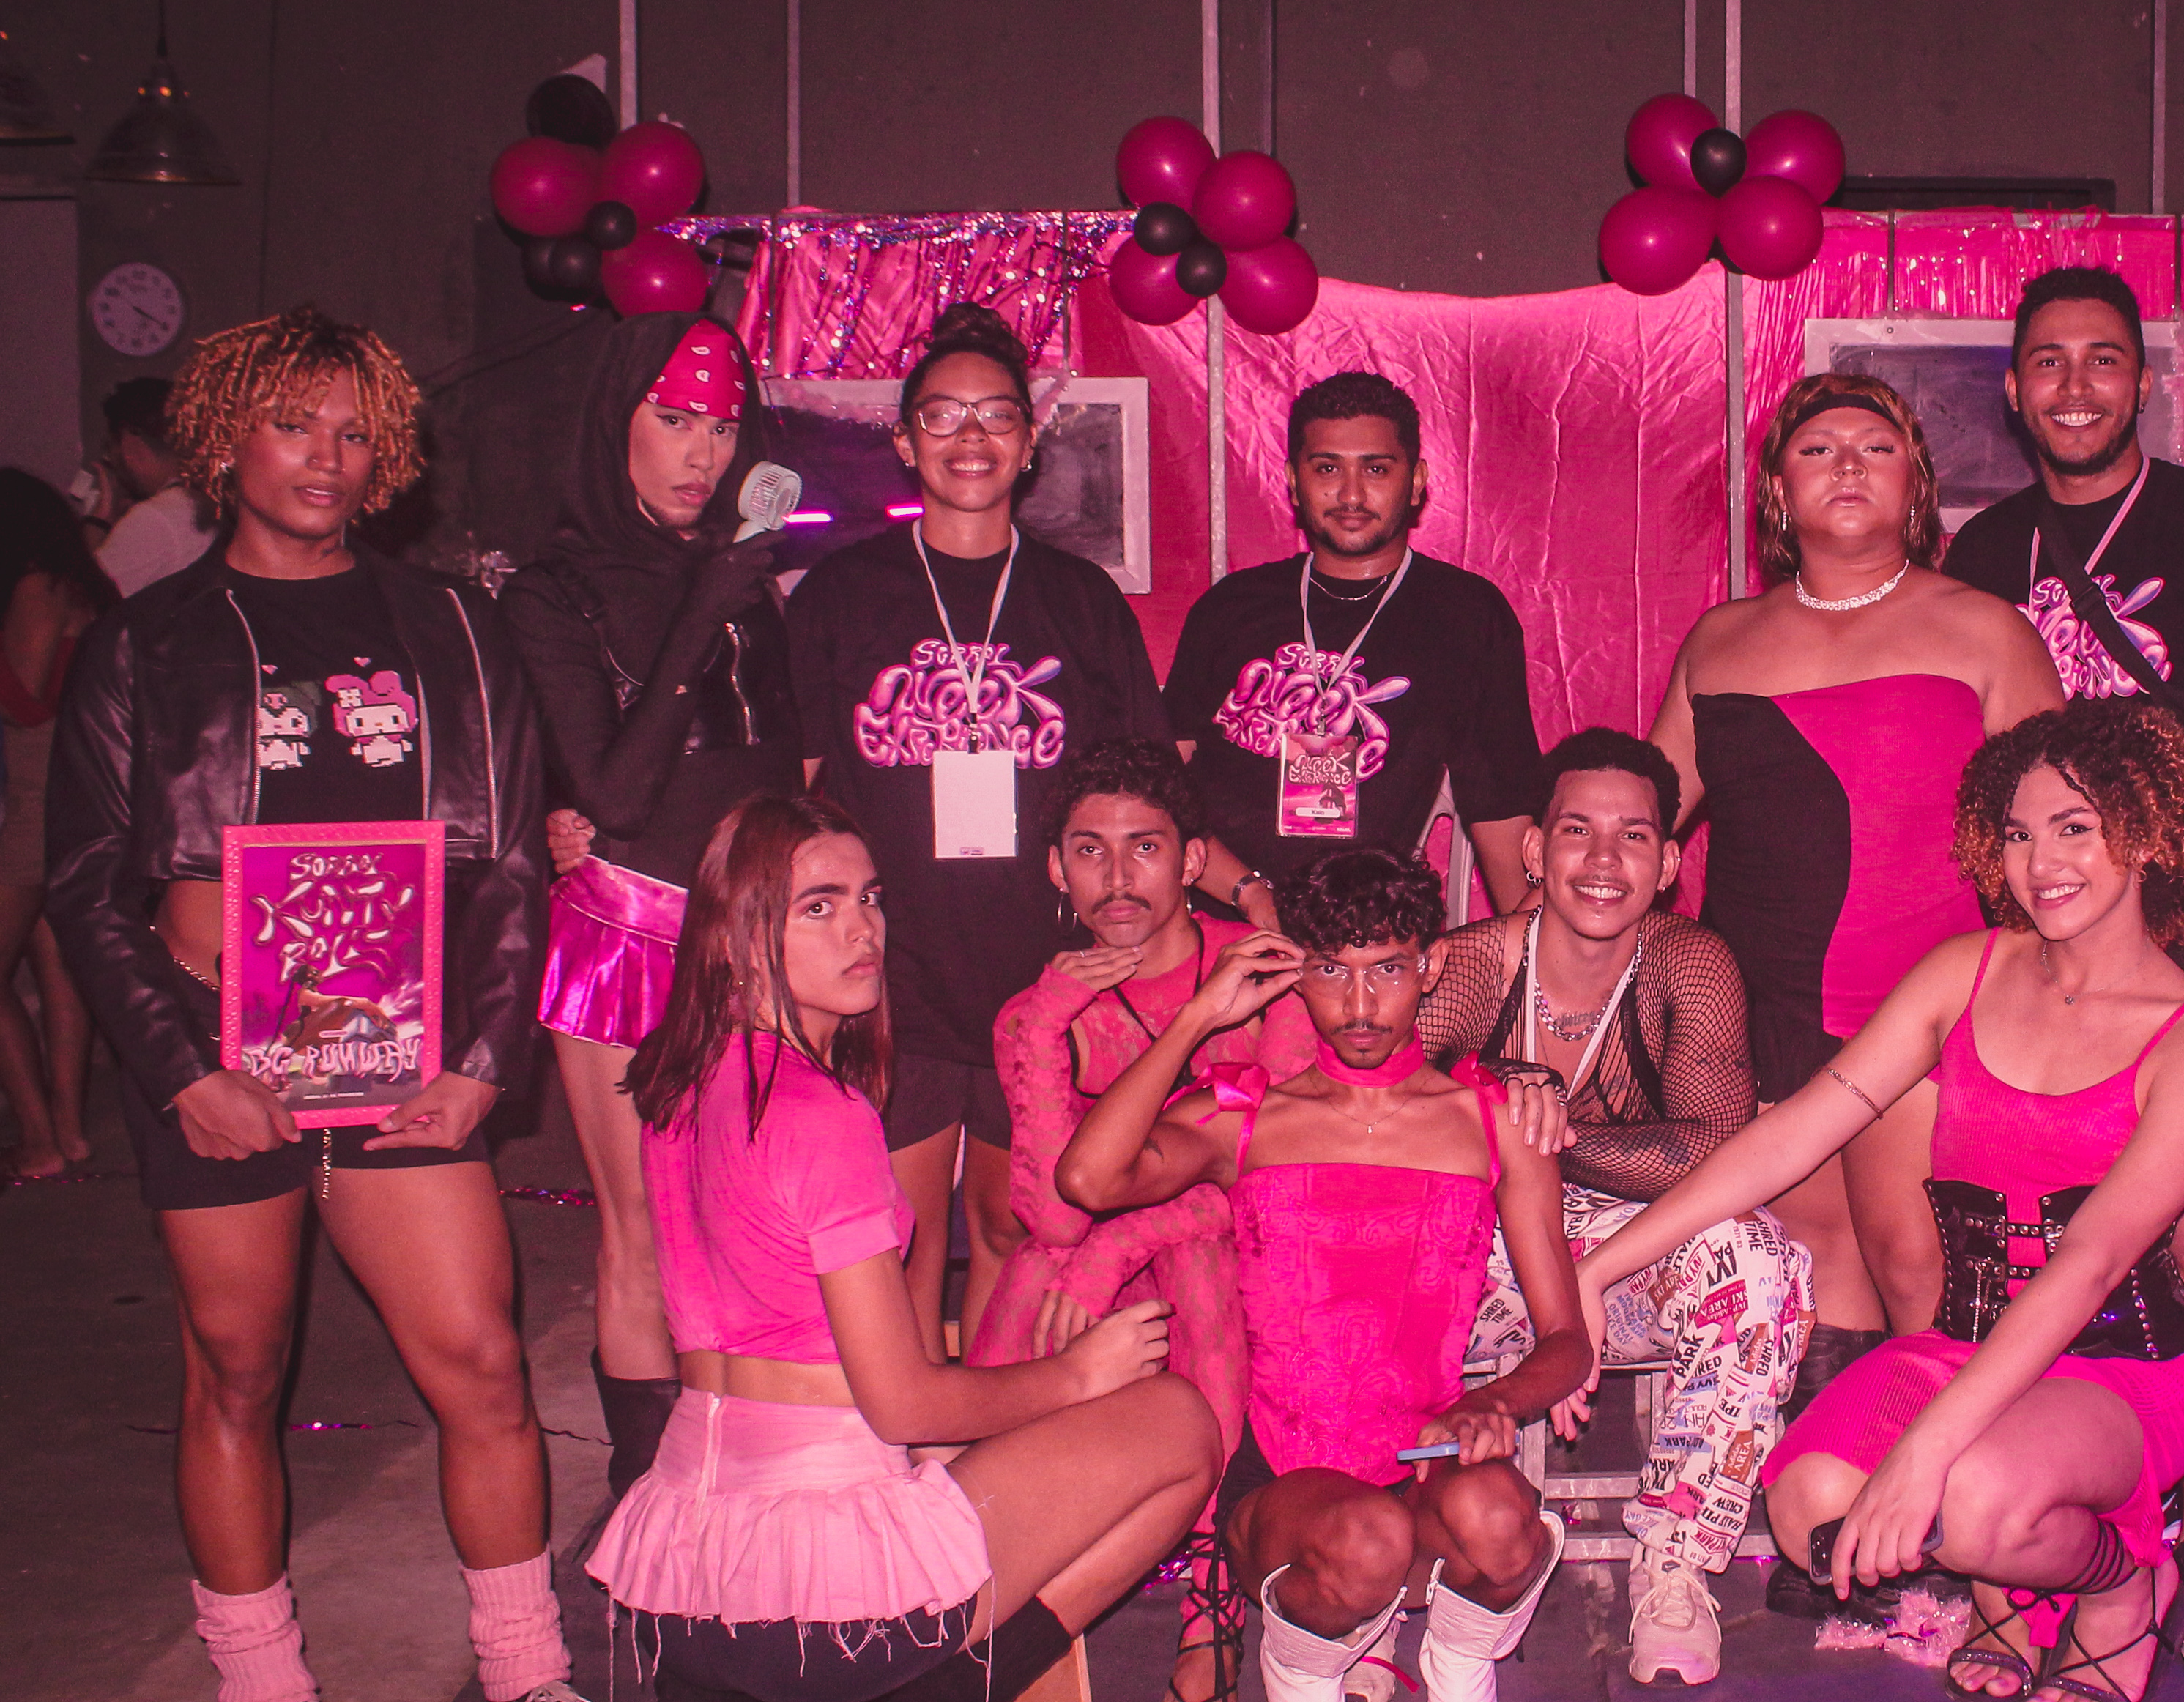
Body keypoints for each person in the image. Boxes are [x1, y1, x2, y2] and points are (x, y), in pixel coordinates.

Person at [45, 308, 620, 1702]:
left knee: (483, 1363)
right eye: (296, 422)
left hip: (406, 1058)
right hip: (214, 1059)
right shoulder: (143, 639)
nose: (330, 457)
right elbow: (87, 887)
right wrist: (179, 1068)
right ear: (226, 432)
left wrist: (485, 1057)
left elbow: (511, 858)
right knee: (238, 1371)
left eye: (358, 432)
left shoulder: (449, 625)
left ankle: (523, 1681)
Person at [1605, 699, 2184, 1702]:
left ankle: (2122, 1581)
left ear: (2147, 832)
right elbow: (1794, 1133)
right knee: (1807, 1506)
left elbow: (2089, 1263)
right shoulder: (1967, 971)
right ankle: (2012, 1582)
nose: (2041, 863)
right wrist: (1595, 1273)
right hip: (1965, 1345)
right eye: (2019, 833)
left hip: (2121, 1364)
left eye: (2076, 828)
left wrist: (1922, 1457)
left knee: (1972, 1499)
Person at [586, 792, 1217, 1702]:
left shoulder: (678, 1080)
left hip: (690, 1576)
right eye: (819, 906)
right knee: (1179, 1425)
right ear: (737, 935)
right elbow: (904, 1403)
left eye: (870, 899)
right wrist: (1080, 1374)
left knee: (969, 1444)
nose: (863, 929)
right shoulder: (821, 1112)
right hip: (828, 1613)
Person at [1942, 264, 2184, 1672]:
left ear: (2144, 381)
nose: (2075, 386)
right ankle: (2045, 1518)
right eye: (2047, 362)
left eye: (2102, 360)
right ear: (2012, 388)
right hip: (2047, 947)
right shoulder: (1983, 551)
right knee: (2032, 1243)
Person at [1649, 371, 2064, 1610]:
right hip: (1763, 997)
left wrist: (2051, 989)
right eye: (1816, 447)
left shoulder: (1985, 629)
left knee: (1920, 1261)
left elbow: (2062, 825)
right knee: (1816, 1254)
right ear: (1776, 490)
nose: (1844, 464)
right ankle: (1826, 1518)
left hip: (1926, 1001)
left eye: (1873, 446)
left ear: (1914, 483)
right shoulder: (1719, 639)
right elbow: (1647, 812)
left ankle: (1931, 1514)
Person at [1058, 847, 1590, 1702]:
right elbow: (1088, 1178)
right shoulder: (1247, 1116)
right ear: (1294, 972)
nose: (1360, 1003)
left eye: (1386, 969)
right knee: (1365, 1539)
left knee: (1508, 1523)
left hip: (1423, 1459)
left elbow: (1567, 1342)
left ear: (1429, 965)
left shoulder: (1491, 1121)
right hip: (1286, 1482)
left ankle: (1459, 1659)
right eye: (1332, 971)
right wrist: (1198, 1017)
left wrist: (1496, 1402)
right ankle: (1301, 1666)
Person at [787, 303, 1173, 1354]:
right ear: (904, 440)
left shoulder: (1079, 600)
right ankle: (906, 1437)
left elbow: (1143, 791)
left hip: (1042, 976)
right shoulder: (838, 595)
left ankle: (995, 1432)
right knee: (897, 1238)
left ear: (1030, 440)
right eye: (943, 415)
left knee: (1013, 1228)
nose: (971, 437)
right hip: (888, 974)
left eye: (997, 414)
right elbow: (804, 792)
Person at [1419, 726, 1806, 1687]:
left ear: (1668, 864)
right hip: (1481, 1260)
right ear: (1534, 850)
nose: (1602, 859)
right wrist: (1494, 1094)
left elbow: (1716, 1148)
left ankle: (1675, 1559)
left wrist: (1551, 1137)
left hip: (1629, 1252)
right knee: (1366, 1248)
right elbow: (1371, 1116)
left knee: (1761, 1262)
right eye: (1576, 831)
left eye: (1633, 836)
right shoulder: (1470, 965)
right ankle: (1394, 1560)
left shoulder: (1690, 963)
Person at [968, 737, 1318, 1702]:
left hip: (1260, 1246)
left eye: (1146, 848)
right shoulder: (1042, 1008)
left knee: (1193, 1273)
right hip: (1112, 1245)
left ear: (1193, 859)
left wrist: (1118, 1243)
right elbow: (1053, 1215)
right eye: (1090, 850)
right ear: (1055, 868)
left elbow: (1271, 1177)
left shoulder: (1261, 975)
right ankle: (977, 1583)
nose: (1117, 878)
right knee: (1037, 1272)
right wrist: (1043, 1025)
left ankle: (1211, 1620)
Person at [501, 313, 801, 1495]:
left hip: (758, 932)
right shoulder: (555, 590)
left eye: (721, 426)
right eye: (673, 420)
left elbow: (787, 770)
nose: (701, 454)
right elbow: (615, 793)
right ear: (615, 421)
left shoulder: (744, 574)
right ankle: (648, 1506)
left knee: (754, 1219)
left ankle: (743, 1482)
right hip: (629, 928)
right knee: (646, 1230)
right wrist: (707, 604)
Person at [1165, 370, 1545, 925]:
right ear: (1293, 480)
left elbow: (1501, 809)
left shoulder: (1465, 615)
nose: (1350, 494)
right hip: (1226, 918)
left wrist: (1526, 954)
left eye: (1375, 469)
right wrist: (1251, 896)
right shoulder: (1230, 607)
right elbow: (1157, 788)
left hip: (1369, 937)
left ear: (1416, 481)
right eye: (1327, 468)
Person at [0, 468, 111, 1177]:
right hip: (66, 790)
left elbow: (25, 701)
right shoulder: (78, 583)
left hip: (35, 796)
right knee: (57, 964)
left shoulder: (38, 588)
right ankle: (66, 1133)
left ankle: (40, 1139)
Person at [86, 375, 216, 596]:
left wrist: (98, 520)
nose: (110, 460)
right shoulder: (208, 502)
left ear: (130, 443)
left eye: (111, 447)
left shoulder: (156, 518)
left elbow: (80, 603)